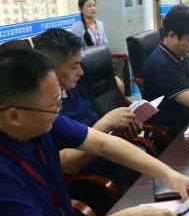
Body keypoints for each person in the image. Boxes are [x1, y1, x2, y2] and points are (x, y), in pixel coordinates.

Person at [0, 48, 189, 216]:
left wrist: (170, 175)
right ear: (14, 115)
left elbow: (104, 144)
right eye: (54, 105)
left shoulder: (41, 121)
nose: (59, 111)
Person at [33, 29, 143, 183]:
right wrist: (105, 124)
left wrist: (120, 128)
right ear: (50, 69)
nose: (81, 72)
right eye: (74, 66)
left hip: (112, 160)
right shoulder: (42, 110)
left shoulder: (75, 88)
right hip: (94, 182)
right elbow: (67, 164)